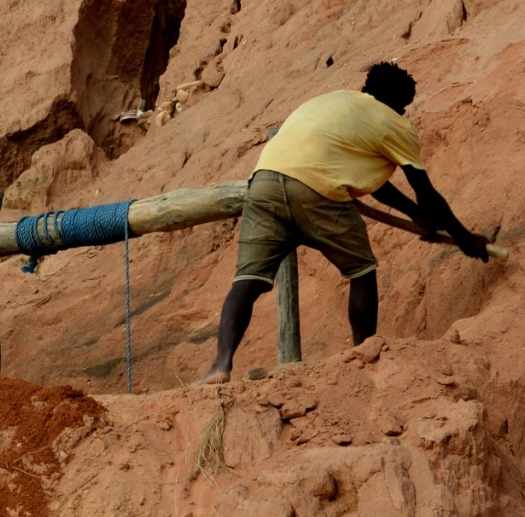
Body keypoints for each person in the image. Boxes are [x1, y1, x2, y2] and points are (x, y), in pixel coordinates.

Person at [196, 61, 488, 384]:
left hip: (264, 181)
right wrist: (465, 238)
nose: (404, 114)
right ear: (398, 104)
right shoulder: (393, 123)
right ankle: (364, 357)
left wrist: (415, 215)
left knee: (246, 281)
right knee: (362, 269)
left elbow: (375, 182)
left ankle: (221, 364)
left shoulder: (335, 101)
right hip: (316, 189)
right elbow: (427, 194)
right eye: (404, 108)